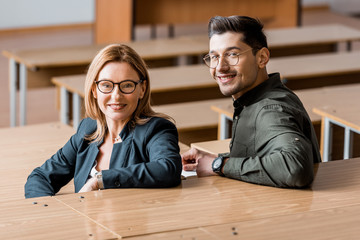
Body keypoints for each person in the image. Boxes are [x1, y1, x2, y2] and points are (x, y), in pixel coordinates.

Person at [25, 44, 182, 198]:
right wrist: (53, 213)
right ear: (94, 90)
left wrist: (99, 181)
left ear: (142, 89)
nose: (116, 96)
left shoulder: (157, 129)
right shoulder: (88, 129)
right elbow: (40, 177)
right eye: (106, 85)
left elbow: (168, 169)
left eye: (127, 85)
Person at [182, 16, 321, 188]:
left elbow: (295, 168)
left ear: (262, 57)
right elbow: (262, 153)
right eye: (214, 57)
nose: (220, 67)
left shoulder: (271, 110)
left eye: (232, 54)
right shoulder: (253, 100)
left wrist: (218, 165)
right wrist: (217, 159)